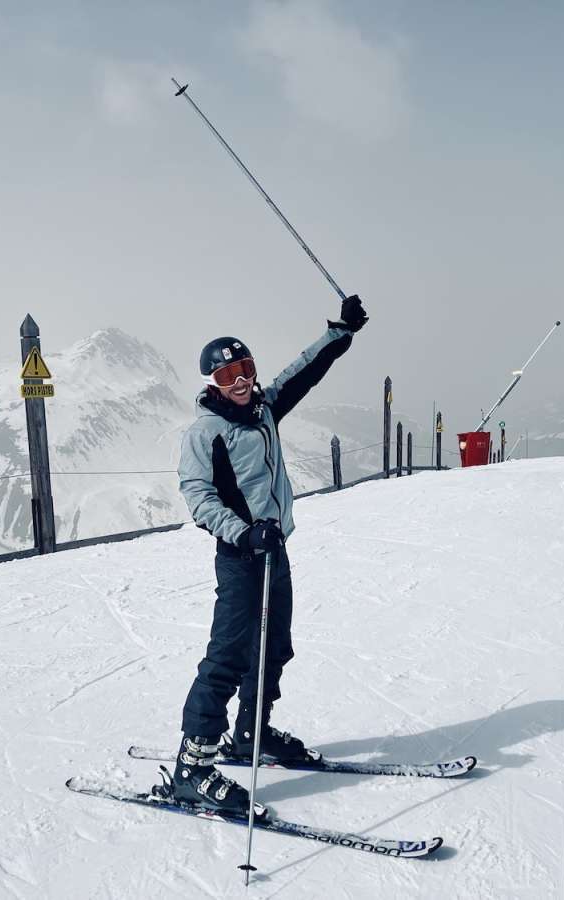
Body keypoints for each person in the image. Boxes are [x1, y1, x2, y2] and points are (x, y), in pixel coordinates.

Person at [170, 294, 369, 813]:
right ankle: (192, 767)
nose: (239, 382)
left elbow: (304, 373)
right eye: (226, 375)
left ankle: (250, 734)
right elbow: (198, 497)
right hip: (241, 558)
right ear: (211, 383)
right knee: (228, 658)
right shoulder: (206, 432)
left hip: (274, 553)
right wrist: (243, 532)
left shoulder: (264, 410)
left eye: (245, 370)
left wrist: (340, 333)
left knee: (273, 648)